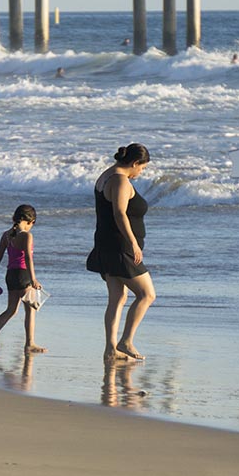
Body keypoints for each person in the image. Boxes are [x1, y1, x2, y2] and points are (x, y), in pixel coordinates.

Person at [86, 143, 156, 362]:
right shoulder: (120, 180)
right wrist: (133, 243)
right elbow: (119, 213)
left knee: (117, 297)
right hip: (120, 247)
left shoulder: (105, 176)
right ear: (134, 163)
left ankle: (110, 349)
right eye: (142, 168)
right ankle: (125, 341)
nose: (141, 172)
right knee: (147, 294)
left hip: (106, 243)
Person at [0, 205, 47, 354]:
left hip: (10, 275)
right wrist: (33, 279)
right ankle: (29, 343)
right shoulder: (27, 236)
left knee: (11, 310)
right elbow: (28, 258)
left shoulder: (6, 235)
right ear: (31, 221)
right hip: (23, 275)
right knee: (30, 310)